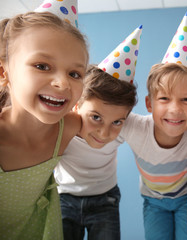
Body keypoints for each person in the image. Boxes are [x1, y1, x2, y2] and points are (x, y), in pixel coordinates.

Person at [0, 11, 88, 240]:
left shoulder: (69, 127)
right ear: (3, 72)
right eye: (42, 66)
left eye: (75, 73)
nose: (62, 83)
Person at [118, 13, 187, 239]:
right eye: (164, 99)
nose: (175, 110)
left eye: (186, 100)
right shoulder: (134, 127)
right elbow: (102, 118)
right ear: (149, 104)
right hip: (153, 201)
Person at [54, 26, 141, 240]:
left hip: (105, 200)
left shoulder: (126, 127)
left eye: (117, 121)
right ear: (75, 106)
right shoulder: (60, 126)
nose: (104, 132)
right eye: (95, 117)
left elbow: (158, 129)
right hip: (64, 198)